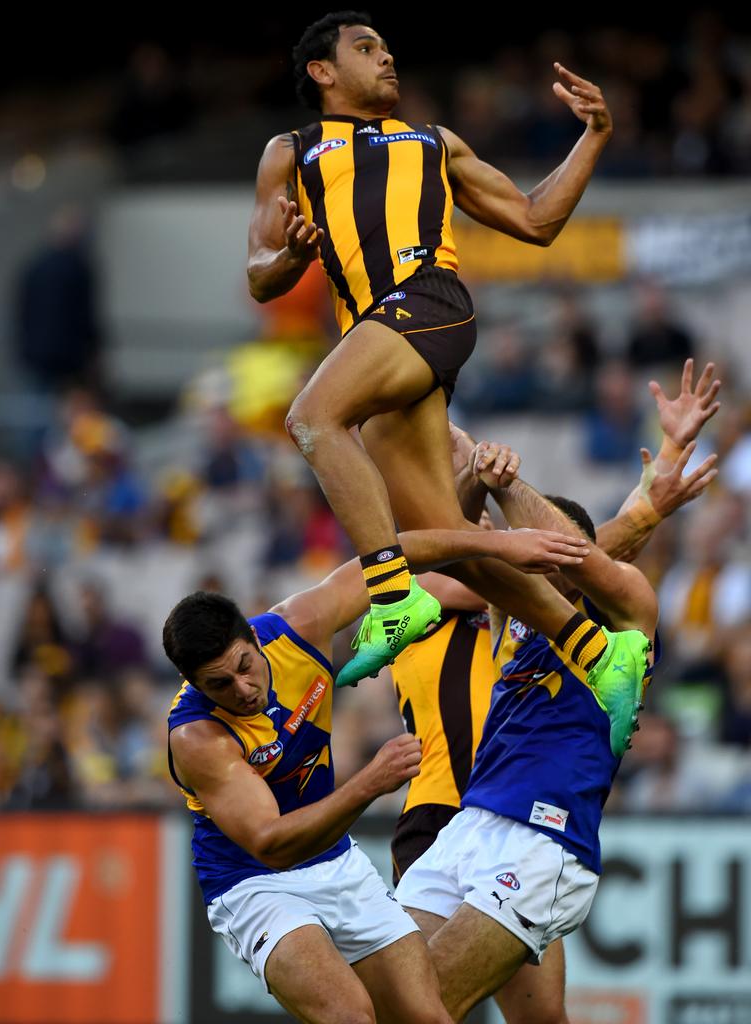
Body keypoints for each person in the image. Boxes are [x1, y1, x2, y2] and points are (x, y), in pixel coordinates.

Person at [247, 12, 631, 704]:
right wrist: (290, 256)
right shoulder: (290, 152)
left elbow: (537, 220)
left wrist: (595, 135)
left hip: (427, 303)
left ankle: (393, 597)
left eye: (389, 49)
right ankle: (596, 649)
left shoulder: (433, 142)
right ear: (322, 72)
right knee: (448, 538)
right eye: (367, 49)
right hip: (378, 336)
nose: (388, 59)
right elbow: (258, 273)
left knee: (311, 416)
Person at [387, 360, 719, 1024]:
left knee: (427, 1010)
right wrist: (466, 466)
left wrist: (510, 488)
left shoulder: (630, 613)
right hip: (466, 829)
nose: (529, 570)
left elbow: (591, 551)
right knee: (392, 1005)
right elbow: (461, 550)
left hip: (544, 838)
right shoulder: (518, 621)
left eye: (540, 556)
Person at [164, 521, 587, 1024]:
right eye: (219, 684)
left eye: (244, 665)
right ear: (192, 684)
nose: (243, 689)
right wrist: (369, 782)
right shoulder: (197, 737)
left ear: (253, 638)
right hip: (255, 884)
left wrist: (499, 544)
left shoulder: (299, 624)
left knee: (429, 1016)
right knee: (352, 1018)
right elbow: (271, 842)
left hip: (336, 863)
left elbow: (394, 555)